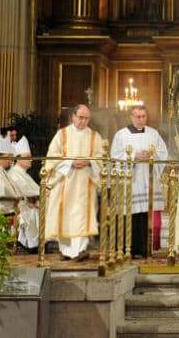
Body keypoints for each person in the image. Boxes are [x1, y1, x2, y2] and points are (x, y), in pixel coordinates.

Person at [43, 105, 104, 260]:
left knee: (82, 215)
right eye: (81, 117)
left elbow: (101, 159)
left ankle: (80, 250)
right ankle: (66, 251)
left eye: (86, 118)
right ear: (73, 116)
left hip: (85, 182)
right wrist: (70, 162)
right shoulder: (62, 134)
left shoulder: (94, 136)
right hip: (65, 181)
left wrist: (90, 162)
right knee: (65, 215)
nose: (83, 121)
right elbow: (52, 157)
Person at [110, 105, 168, 259]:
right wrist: (134, 156)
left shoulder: (153, 134)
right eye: (137, 116)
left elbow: (163, 153)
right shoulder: (121, 135)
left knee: (145, 216)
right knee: (130, 215)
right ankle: (127, 248)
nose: (141, 119)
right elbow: (115, 156)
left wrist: (151, 156)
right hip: (131, 181)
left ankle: (144, 249)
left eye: (143, 116)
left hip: (148, 180)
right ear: (131, 117)